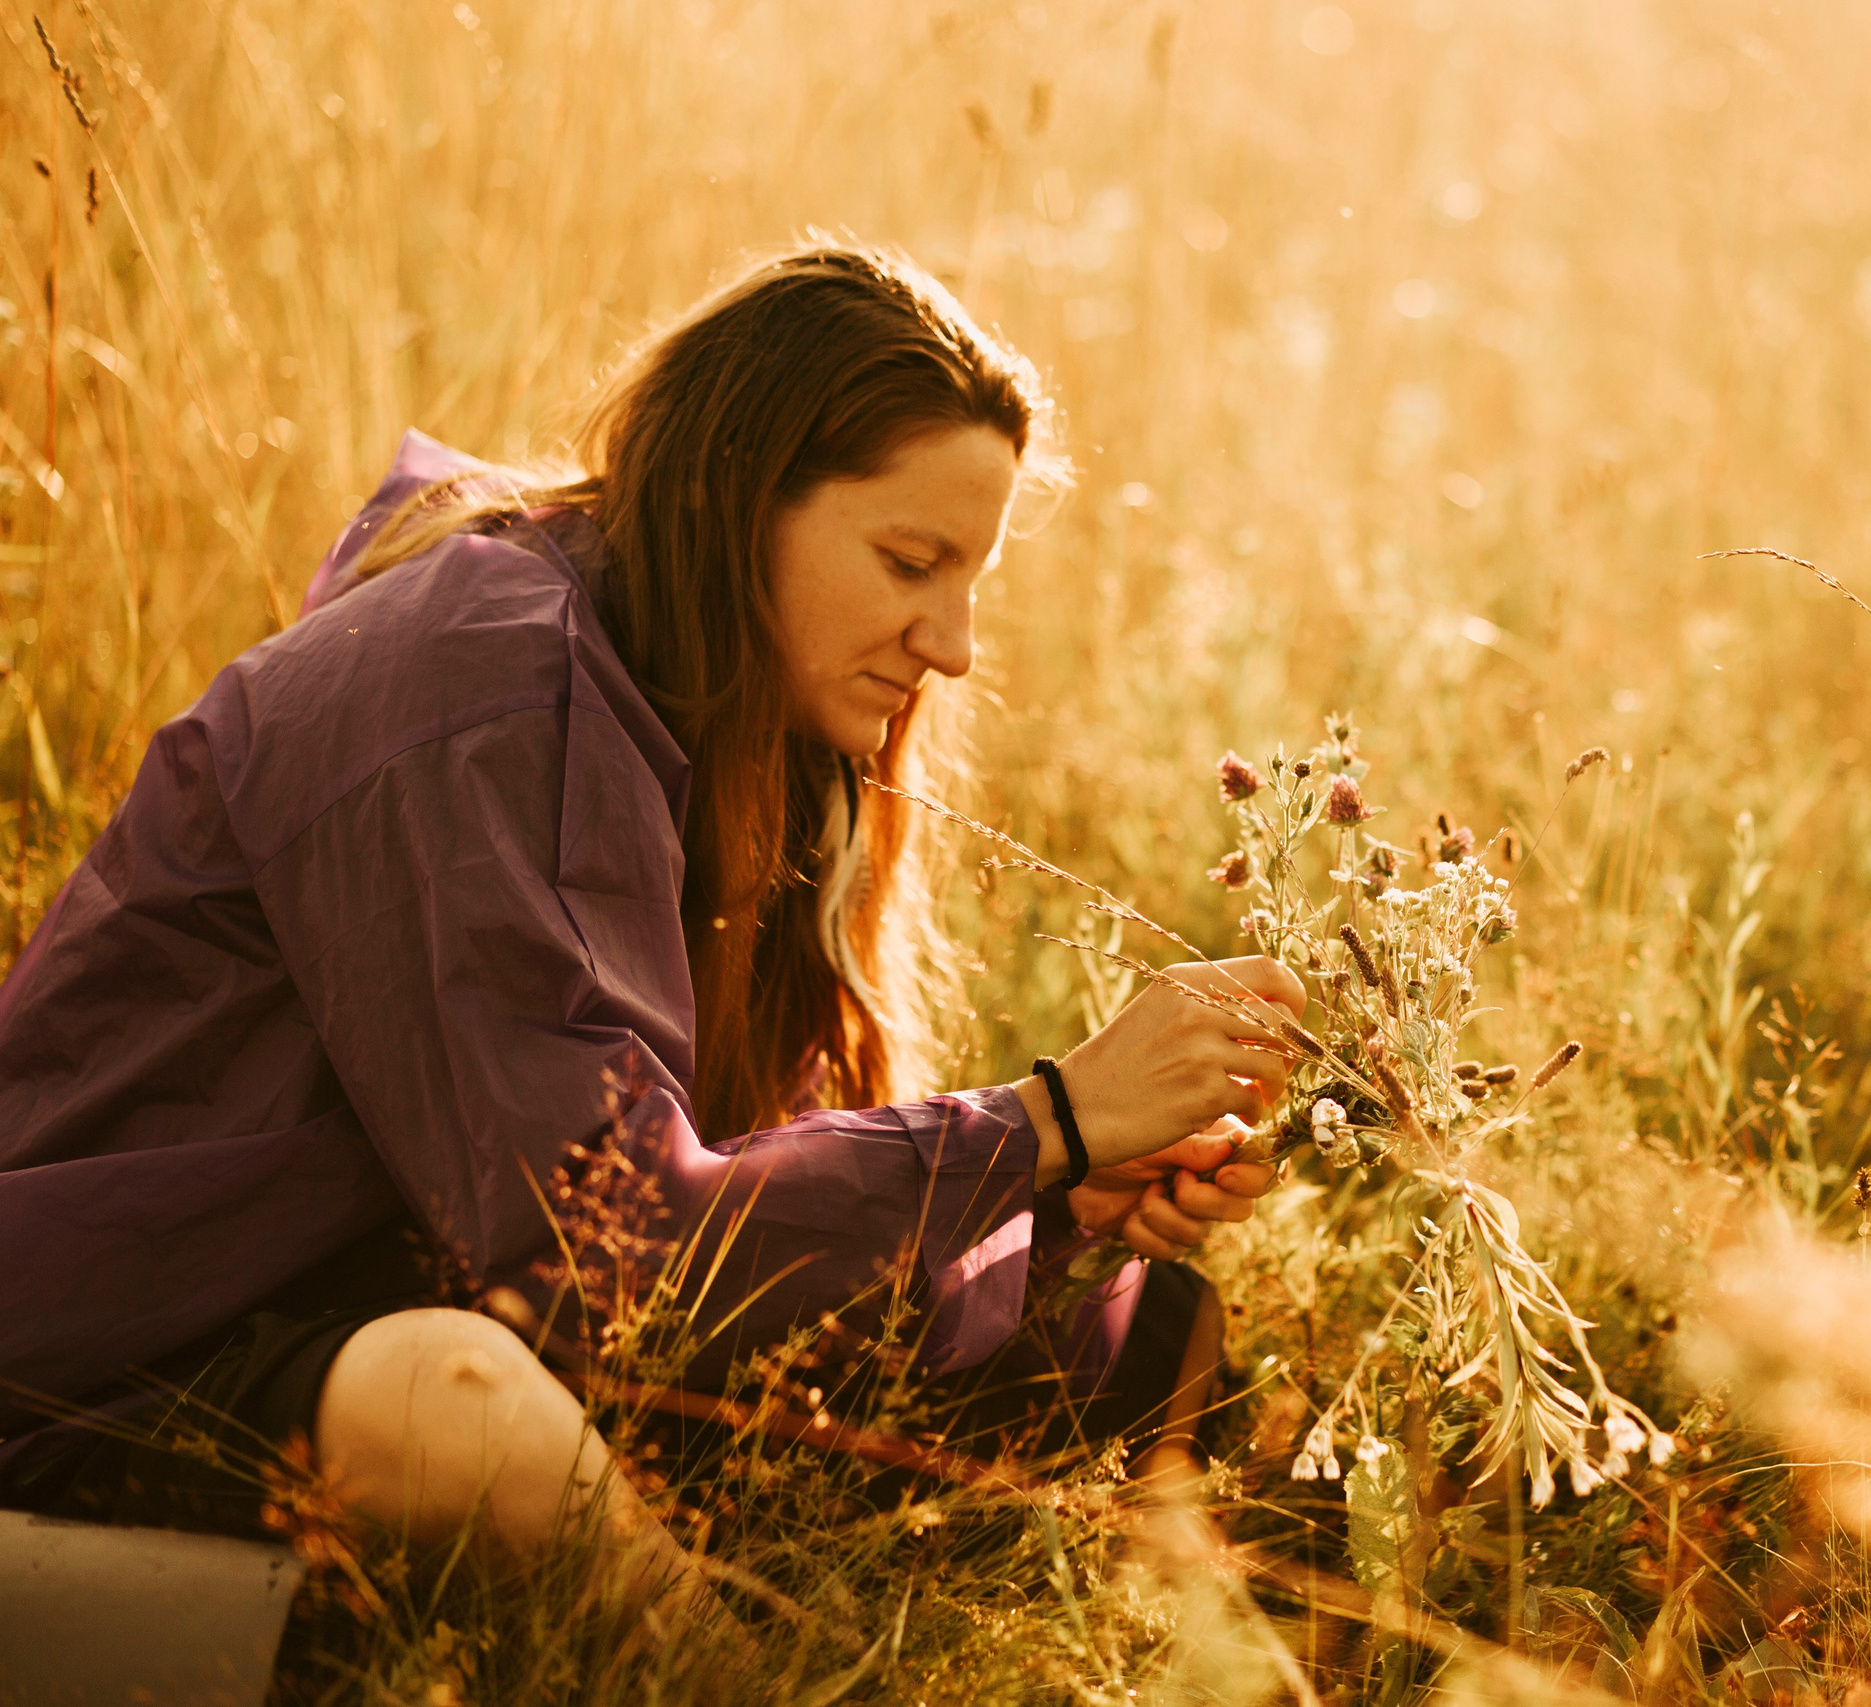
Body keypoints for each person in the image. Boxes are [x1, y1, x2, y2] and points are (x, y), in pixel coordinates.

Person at [0, 240, 1303, 1621]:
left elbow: (742, 1231)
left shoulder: (744, 722)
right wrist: (1042, 1121)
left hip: (429, 1310)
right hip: (126, 1364)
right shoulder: (475, 683)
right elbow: (605, 1263)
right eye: (910, 562)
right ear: (737, 496)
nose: (953, 643)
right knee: (460, 1405)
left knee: (1130, 1338)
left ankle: (1235, 1634)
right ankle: (732, 1673)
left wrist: (1052, 1203)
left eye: (970, 579)